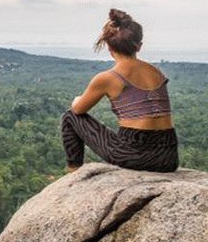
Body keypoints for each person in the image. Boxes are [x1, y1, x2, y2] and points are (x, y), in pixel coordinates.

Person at [61, 9, 178, 173]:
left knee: (69, 117)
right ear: (139, 46)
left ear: (109, 47)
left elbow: (78, 109)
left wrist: (76, 100)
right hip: (168, 157)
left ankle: (73, 173)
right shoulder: (156, 72)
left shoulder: (108, 78)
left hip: (132, 155)